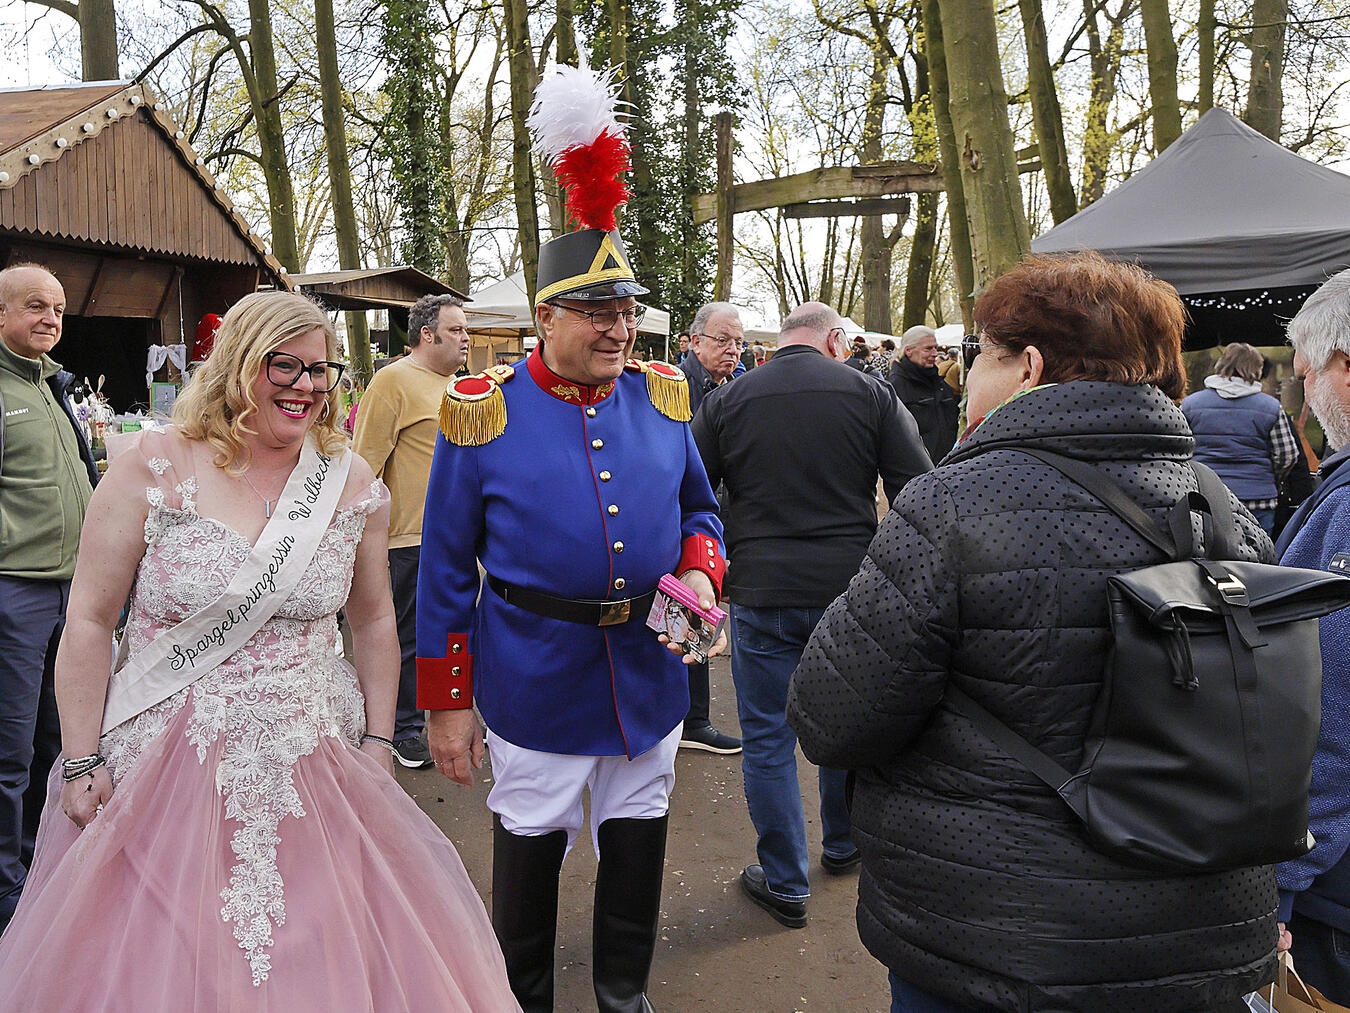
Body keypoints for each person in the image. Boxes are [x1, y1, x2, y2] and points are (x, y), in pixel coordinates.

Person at [0, 291, 520, 1010]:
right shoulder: (151, 464)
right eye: (286, 365)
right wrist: (84, 758)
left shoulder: (349, 483)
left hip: (316, 760)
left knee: (322, 955)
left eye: (321, 370)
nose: (307, 385)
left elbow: (372, 621)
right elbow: (89, 620)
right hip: (162, 762)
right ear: (239, 362)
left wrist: (376, 741)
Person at [788, 253, 1276, 1013]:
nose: (967, 375)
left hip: (996, 942)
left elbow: (830, 715)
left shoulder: (953, 503)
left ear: (1029, 368)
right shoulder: (1226, 513)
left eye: (980, 354)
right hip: (1196, 937)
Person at [417, 227, 725, 1012]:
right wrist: (449, 704)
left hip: (649, 670)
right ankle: (522, 1001)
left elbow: (701, 511)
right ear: (545, 317)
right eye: (597, 312)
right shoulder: (483, 413)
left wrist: (697, 569)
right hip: (536, 671)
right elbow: (446, 568)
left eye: (625, 310)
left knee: (639, 831)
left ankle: (624, 995)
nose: (619, 329)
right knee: (530, 841)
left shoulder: (660, 399)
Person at [692, 302, 931, 929]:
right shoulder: (870, 395)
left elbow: (691, 487)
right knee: (843, 721)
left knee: (767, 737)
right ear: (832, 339)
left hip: (762, 588)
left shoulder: (730, 399)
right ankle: (844, 843)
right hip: (848, 589)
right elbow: (918, 487)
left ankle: (784, 881)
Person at [0, 263, 97, 932]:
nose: (50, 318)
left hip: (75, 593)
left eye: (58, 308)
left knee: (61, 742)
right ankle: (7, 892)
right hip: (15, 594)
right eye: (36, 305)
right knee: (8, 751)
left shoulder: (54, 386)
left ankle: (43, 867)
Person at [353, 293, 471, 768]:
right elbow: (365, 465)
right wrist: (363, 542)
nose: (467, 337)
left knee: (452, 635)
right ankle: (401, 728)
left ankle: (447, 716)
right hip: (408, 539)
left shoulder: (465, 388)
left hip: (459, 540)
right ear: (428, 334)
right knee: (405, 639)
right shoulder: (392, 381)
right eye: (458, 329)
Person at [1275, 268, 1350, 1004]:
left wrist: (1280, 877)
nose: (1305, 394)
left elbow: (1326, 710)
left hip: (1336, 888)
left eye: (1307, 372)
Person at [679, 301, 745, 755]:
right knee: (690, 609)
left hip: (717, 517)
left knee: (701, 609)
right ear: (695, 341)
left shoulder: (737, 386)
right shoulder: (674, 387)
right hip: (682, 516)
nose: (733, 350)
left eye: (738, 342)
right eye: (723, 340)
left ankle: (692, 718)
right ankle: (692, 720)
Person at [1182, 342, 1299, 535]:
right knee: (1258, 560)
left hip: (1206, 497)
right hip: (1259, 500)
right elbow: (1287, 456)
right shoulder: (1270, 407)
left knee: (1207, 558)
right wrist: (1268, 477)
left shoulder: (1191, 404)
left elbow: (1181, 450)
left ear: (1221, 365)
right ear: (1257, 370)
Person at [886, 324, 961, 464]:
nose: (934, 353)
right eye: (928, 349)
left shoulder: (939, 383)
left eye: (935, 348)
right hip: (913, 474)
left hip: (946, 467)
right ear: (908, 350)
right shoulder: (895, 387)